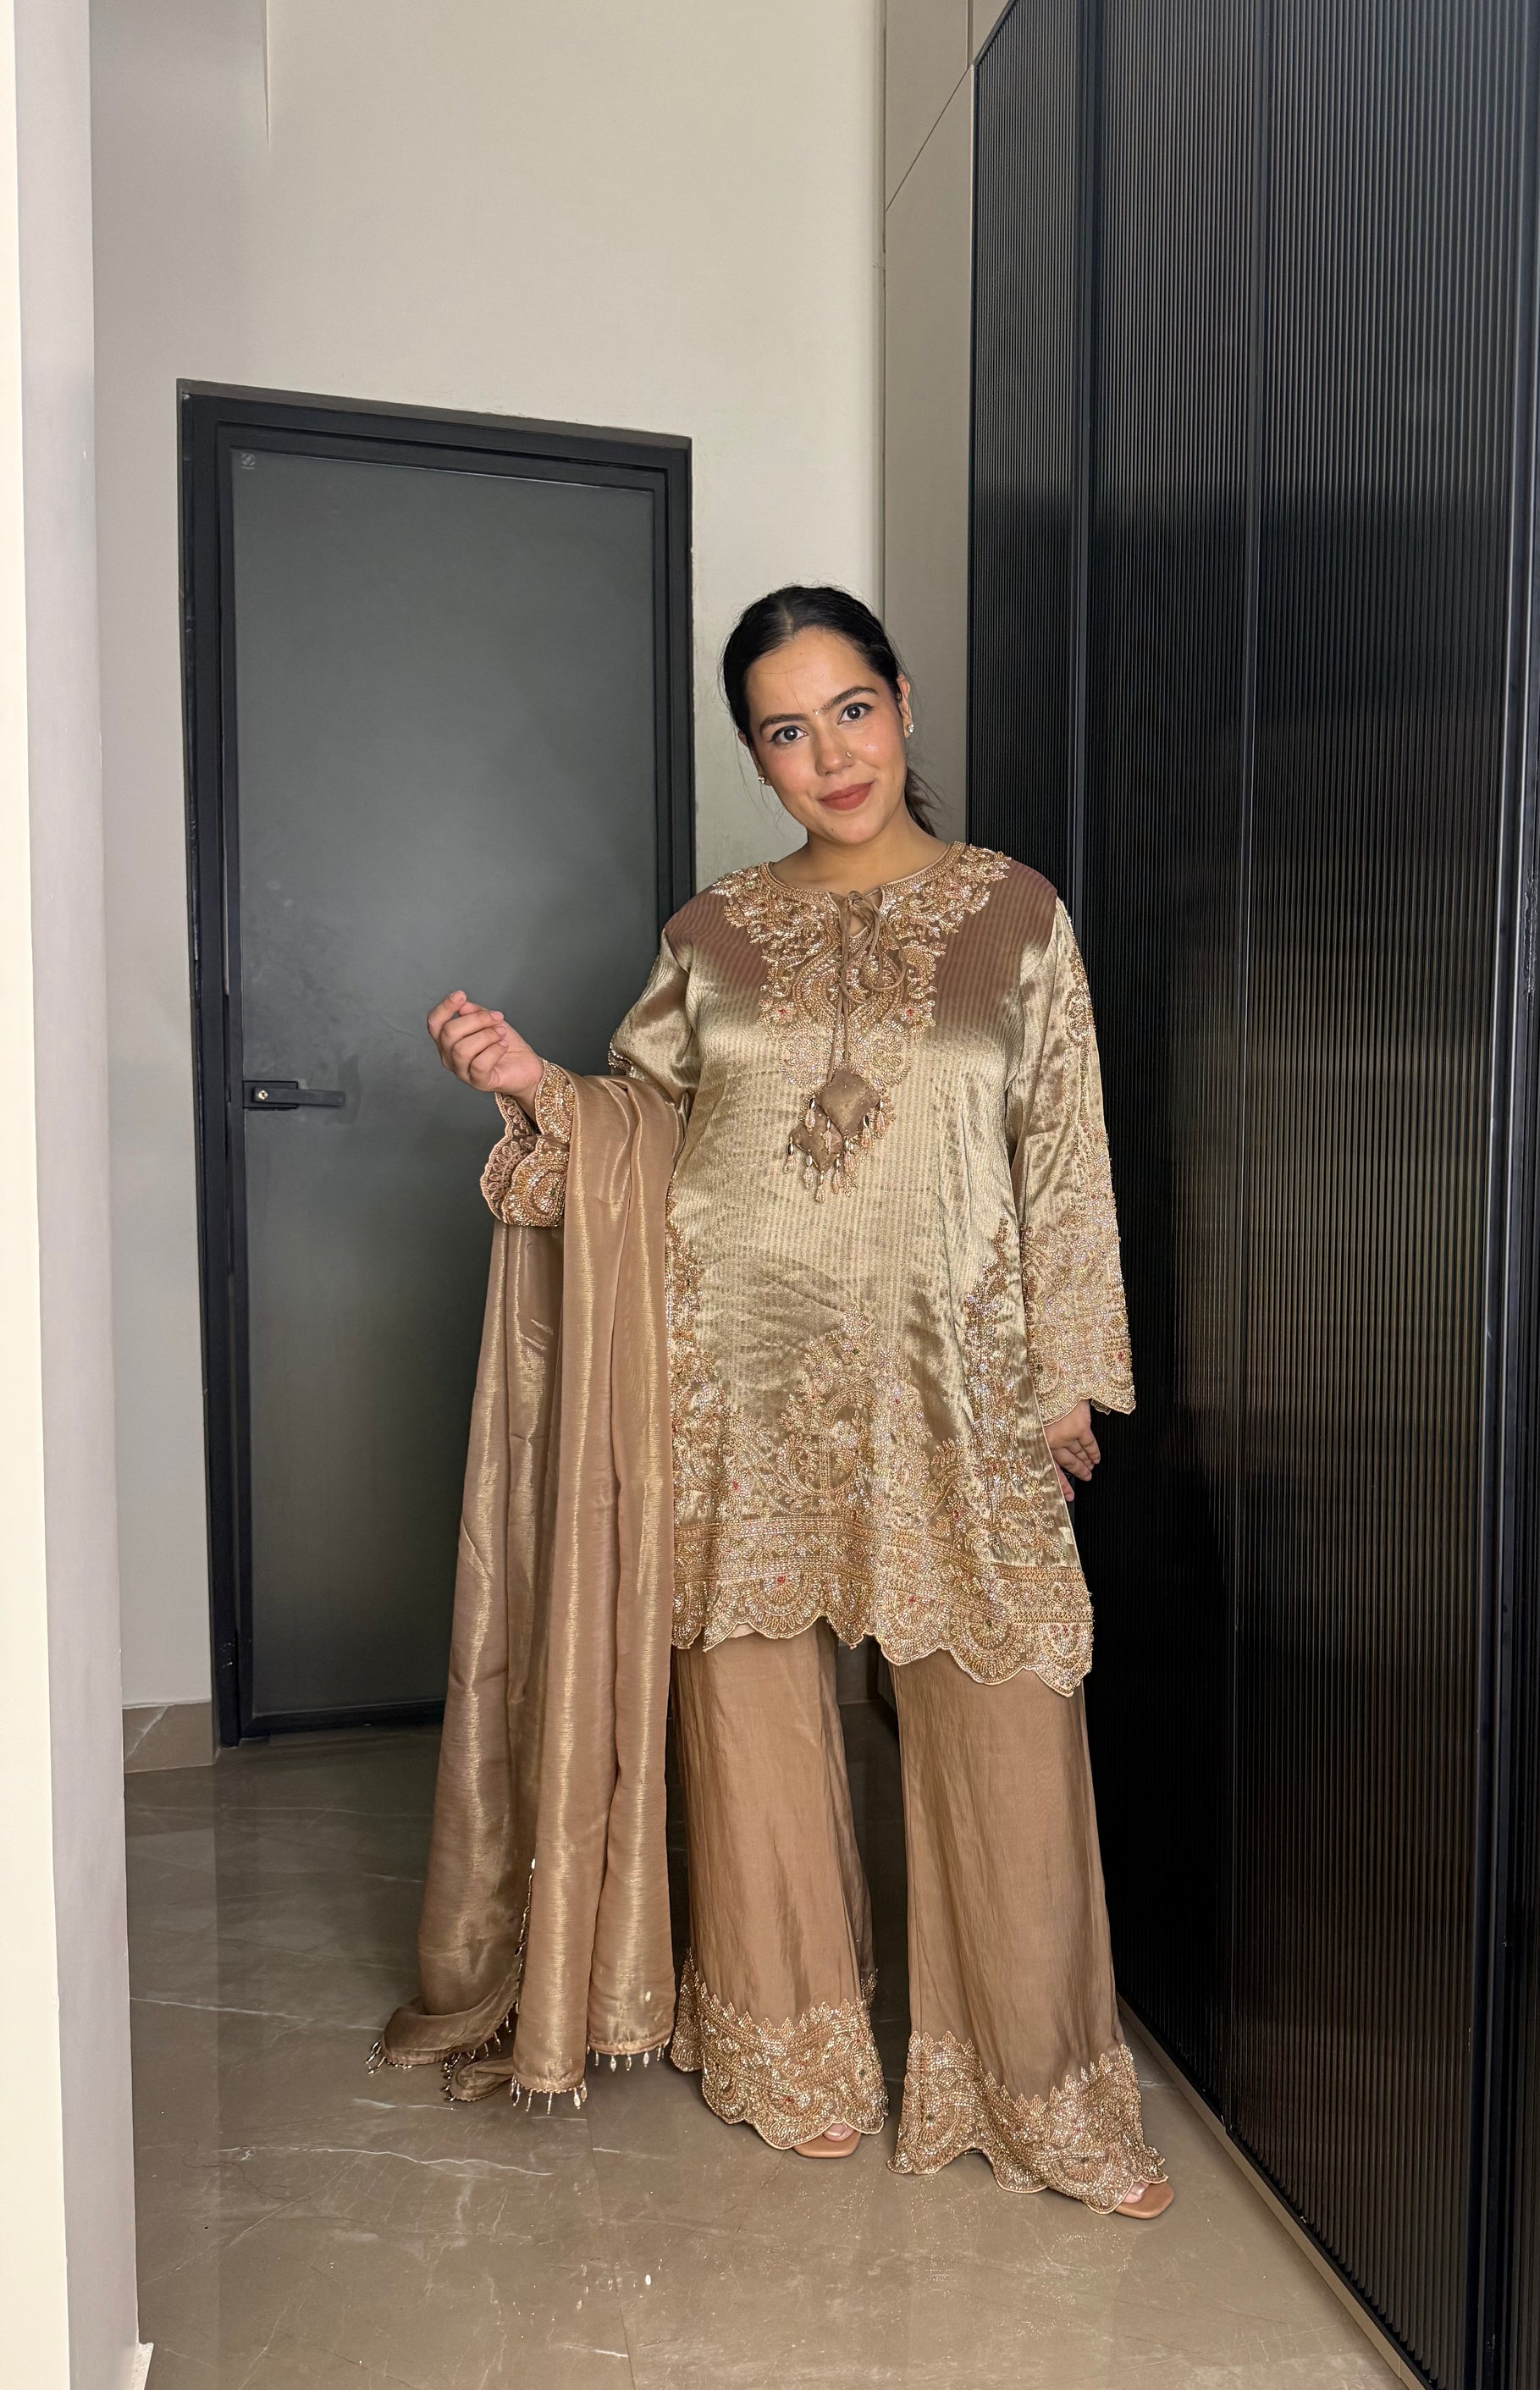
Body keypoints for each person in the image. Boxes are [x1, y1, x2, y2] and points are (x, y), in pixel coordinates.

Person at [376, 583, 1170, 2218]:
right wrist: (539, 1090)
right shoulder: (712, 936)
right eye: (787, 732)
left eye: (852, 711)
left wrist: (1068, 1373)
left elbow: (1066, 1154)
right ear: (756, 756)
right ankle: (788, 2050)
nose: (832, 756)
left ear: (903, 701)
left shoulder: (1016, 915)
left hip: (954, 1379)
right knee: (746, 1714)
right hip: (730, 1380)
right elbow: (644, 1129)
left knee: (1007, 1711)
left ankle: (1041, 2090)